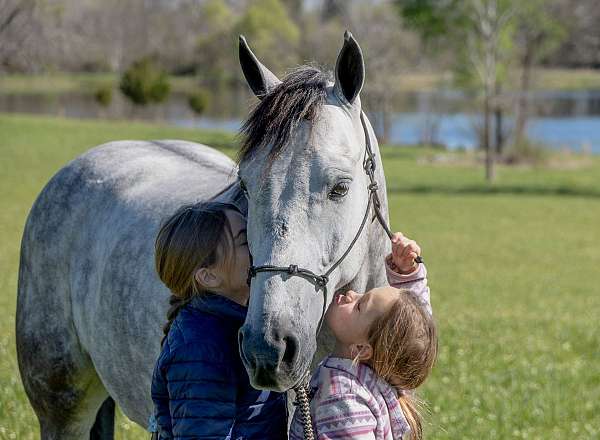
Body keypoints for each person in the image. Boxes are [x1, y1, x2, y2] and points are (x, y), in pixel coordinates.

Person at [150, 201, 288, 440]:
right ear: (209, 276)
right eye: (245, 241)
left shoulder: (236, 324)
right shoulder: (200, 349)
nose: (259, 245)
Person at [289, 233, 437, 440]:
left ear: (362, 349)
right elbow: (412, 332)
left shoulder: (343, 397)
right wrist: (408, 274)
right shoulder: (383, 370)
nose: (352, 294)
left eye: (359, 305)